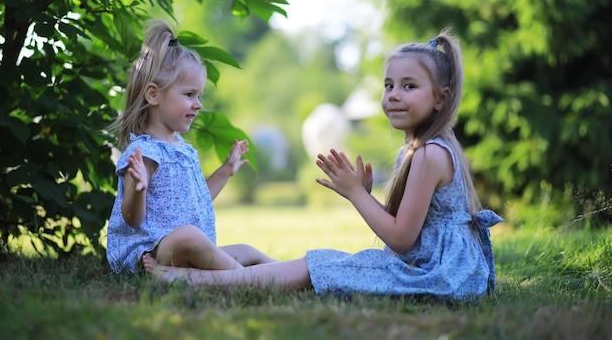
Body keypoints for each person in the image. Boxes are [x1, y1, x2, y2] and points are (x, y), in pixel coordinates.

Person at [142, 27, 503, 301]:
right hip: (443, 270)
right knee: (321, 263)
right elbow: (406, 230)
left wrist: (355, 196)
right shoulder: (424, 150)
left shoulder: (428, 154)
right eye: (389, 84)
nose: (393, 95)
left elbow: (401, 239)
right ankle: (242, 271)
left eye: (409, 86)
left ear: (441, 99)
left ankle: (190, 279)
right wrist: (364, 195)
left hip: (437, 276)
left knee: (318, 265)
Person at [106, 19, 275, 275]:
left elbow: (198, 201)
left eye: (199, 95)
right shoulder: (144, 153)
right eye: (189, 95)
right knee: (188, 237)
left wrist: (225, 171)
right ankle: (246, 278)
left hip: (186, 249)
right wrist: (138, 189)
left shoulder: (183, 150)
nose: (198, 104)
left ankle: (287, 273)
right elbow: (132, 219)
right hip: (152, 254)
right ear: (154, 95)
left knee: (246, 249)